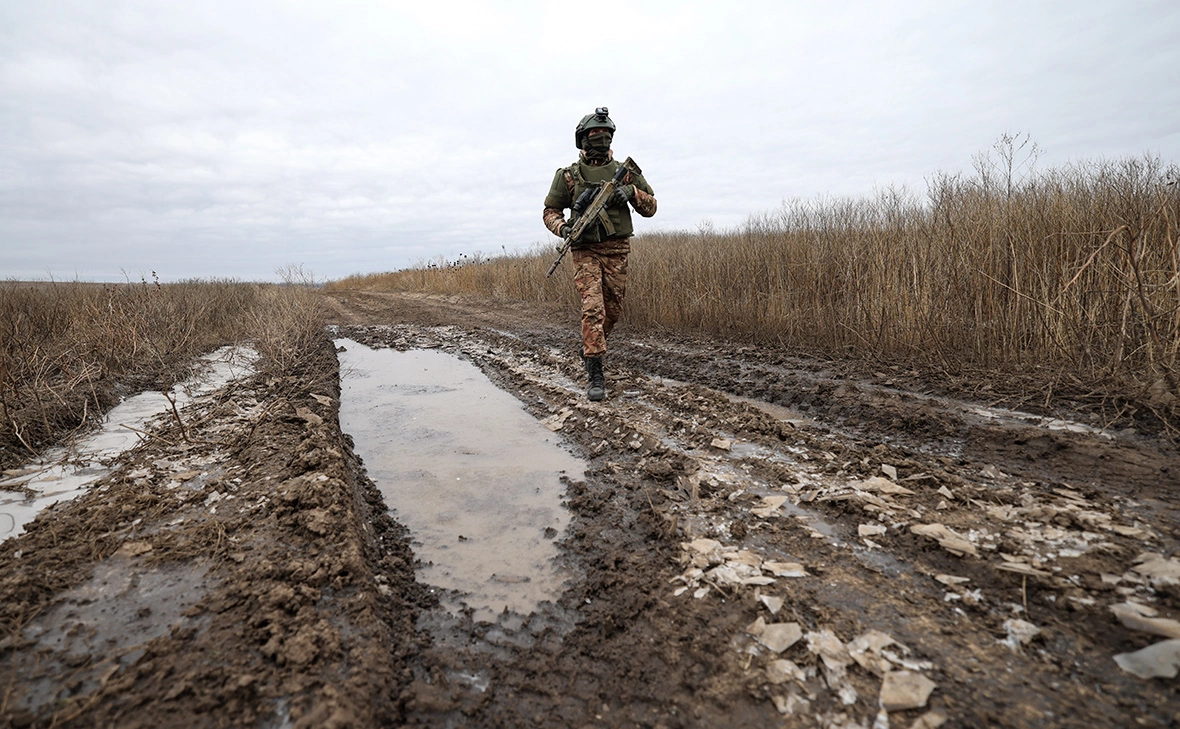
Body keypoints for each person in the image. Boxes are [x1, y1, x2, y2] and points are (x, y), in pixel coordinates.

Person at [542, 107, 657, 402]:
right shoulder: (568, 175)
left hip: (617, 250)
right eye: (594, 135)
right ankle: (595, 371)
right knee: (593, 309)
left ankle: (591, 344)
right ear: (582, 139)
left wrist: (632, 193)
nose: (601, 140)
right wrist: (563, 228)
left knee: (613, 311)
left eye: (605, 135)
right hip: (585, 251)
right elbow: (550, 211)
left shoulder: (626, 172)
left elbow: (651, 207)